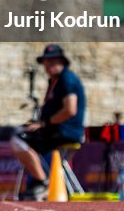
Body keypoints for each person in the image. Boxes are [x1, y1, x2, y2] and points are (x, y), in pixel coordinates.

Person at [10, 44, 86, 201]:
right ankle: (40, 183)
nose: (49, 64)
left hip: (65, 132)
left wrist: (44, 123)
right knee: (20, 132)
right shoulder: (55, 81)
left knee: (18, 139)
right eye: (46, 61)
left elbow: (70, 110)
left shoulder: (67, 79)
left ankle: (41, 182)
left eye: (53, 61)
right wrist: (39, 123)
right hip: (55, 130)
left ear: (62, 61)